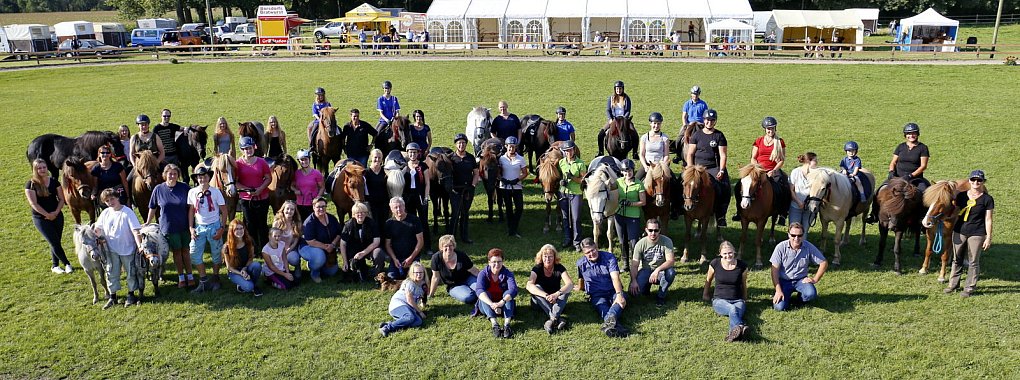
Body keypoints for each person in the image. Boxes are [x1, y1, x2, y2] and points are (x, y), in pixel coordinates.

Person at [944, 170, 994, 297]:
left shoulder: (987, 199)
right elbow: (951, 207)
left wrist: (988, 237)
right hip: (959, 231)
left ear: (983, 182)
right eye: (973, 180)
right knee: (957, 259)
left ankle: (969, 288)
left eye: (979, 180)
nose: (976, 182)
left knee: (973, 261)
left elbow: (988, 219)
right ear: (969, 181)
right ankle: (953, 285)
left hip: (977, 233)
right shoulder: (961, 196)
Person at [868, 123, 930, 223]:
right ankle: (874, 214)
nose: (911, 136)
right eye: (909, 134)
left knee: (924, 193)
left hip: (915, 178)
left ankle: (922, 217)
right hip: (897, 177)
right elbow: (893, 161)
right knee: (879, 191)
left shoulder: (923, 148)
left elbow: (923, 166)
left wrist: (910, 175)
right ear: (905, 135)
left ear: (917, 134)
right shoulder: (900, 146)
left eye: (913, 133)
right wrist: (891, 171)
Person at [94, 188, 144, 308]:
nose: (110, 202)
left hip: (127, 248)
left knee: (130, 272)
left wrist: (139, 245)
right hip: (111, 249)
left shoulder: (127, 212)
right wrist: (97, 235)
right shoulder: (105, 213)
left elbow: (135, 230)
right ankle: (113, 296)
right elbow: (98, 228)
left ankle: (131, 294)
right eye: (107, 201)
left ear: (117, 198)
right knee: (111, 272)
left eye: (112, 199)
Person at [147, 164, 194, 288]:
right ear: (165, 175)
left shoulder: (184, 188)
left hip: (184, 225)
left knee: (186, 251)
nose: (172, 176)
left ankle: (190, 276)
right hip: (169, 227)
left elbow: (192, 206)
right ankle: (181, 278)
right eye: (170, 173)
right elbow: (152, 207)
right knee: (177, 252)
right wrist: (147, 222)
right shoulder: (158, 189)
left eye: (175, 174)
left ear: (178, 175)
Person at [735, 116, 789, 224]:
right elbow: (753, 158)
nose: (770, 130)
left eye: (772, 128)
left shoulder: (780, 142)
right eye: (768, 128)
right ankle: (739, 211)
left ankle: (782, 213)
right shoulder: (759, 141)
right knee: (738, 186)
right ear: (765, 129)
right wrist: (757, 168)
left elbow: (782, 160)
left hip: (773, 169)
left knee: (784, 187)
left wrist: (774, 170)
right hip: (758, 169)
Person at [26, 158, 72, 274]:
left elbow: (61, 199)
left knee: (56, 241)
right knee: (53, 241)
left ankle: (55, 266)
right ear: (35, 170)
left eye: (44, 167)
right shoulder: (31, 184)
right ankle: (67, 264)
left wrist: (55, 213)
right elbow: (33, 203)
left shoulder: (54, 182)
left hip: (57, 215)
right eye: (39, 168)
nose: (42, 170)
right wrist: (47, 215)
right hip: (41, 218)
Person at [686, 108, 730, 227]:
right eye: (707, 120)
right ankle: (679, 209)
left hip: (713, 167)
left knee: (724, 187)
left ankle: (720, 215)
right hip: (697, 167)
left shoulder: (719, 135)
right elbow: (690, 154)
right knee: (682, 183)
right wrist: (690, 168)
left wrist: (721, 170)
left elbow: (723, 155)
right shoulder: (696, 135)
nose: (709, 122)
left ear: (715, 122)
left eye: (712, 120)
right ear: (704, 120)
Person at [575, 238, 628, 337]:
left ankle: (610, 325)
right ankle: (616, 327)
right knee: (602, 308)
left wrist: (619, 294)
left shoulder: (609, 257)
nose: (591, 253)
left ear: (596, 247)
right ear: (584, 253)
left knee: (619, 302)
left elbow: (615, 277)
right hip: (597, 295)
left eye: (593, 250)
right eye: (588, 252)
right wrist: (580, 287)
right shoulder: (581, 264)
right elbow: (581, 277)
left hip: (613, 290)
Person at [770, 223, 828, 311]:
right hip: (784, 281)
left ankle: (800, 299)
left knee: (811, 294)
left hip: (800, 280)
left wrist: (815, 279)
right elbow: (774, 270)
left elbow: (824, 263)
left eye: (799, 235)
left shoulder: (808, 246)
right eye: (793, 235)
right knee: (779, 308)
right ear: (788, 234)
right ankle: (784, 296)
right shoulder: (780, 247)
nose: (796, 238)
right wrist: (778, 290)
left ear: (803, 235)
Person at [187, 166, 227, 293]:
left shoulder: (216, 192)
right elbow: (191, 210)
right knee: (194, 253)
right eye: (200, 177)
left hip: (214, 225)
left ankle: (215, 277)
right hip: (199, 226)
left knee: (216, 253)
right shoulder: (192, 192)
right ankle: (203, 280)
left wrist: (222, 228)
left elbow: (224, 210)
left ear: (209, 177)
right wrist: (191, 228)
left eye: (205, 176)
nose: (202, 179)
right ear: (197, 179)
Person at [703, 240, 750, 342]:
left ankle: (733, 334)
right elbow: (708, 280)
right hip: (719, 300)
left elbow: (744, 283)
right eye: (725, 253)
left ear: (734, 252)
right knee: (733, 309)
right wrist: (705, 294)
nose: (728, 256)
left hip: (738, 300)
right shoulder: (715, 263)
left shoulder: (742, 266)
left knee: (734, 311)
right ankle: (741, 327)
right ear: (720, 254)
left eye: (730, 253)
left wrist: (744, 298)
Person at [527, 244, 573, 334]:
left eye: (550, 256)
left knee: (565, 291)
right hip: (539, 302)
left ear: (554, 257)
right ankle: (557, 318)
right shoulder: (537, 268)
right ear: (541, 257)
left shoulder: (559, 268)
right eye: (545, 256)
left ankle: (551, 320)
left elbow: (570, 284)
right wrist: (546, 295)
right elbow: (529, 285)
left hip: (555, 301)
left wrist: (556, 294)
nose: (547, 259)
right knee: (537, 287)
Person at [235, 136, 272, 250]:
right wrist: (247, 190)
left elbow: (268, 178)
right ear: (242, 150)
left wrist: (260, 189)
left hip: (262, 197)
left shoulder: (261, 162)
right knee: (250, 224)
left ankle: (264, 247)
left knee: (262, 224)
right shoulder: (237, 164)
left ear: (254, 148)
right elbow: (235, 182)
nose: (248, 150)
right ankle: (253, 247)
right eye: (245, 148)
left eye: (250, 148)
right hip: (246, 199)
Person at [629, 218, 676, 306]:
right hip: (645, 270)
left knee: (671, 272)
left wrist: (657, 270)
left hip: (660, 271)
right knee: (634, 294)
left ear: (659, 230)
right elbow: (634, 265)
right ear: (646, 230)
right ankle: (646, 288)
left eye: (656, 230)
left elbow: (671, 261)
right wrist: (633, 281)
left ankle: (660, 297)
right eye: (650, 230)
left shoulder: (667, 241)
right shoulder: (640, 244)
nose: (653, 233)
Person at [475, 248, 518, 339]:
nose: (497, 264)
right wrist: (492, 305)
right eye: (494, 262)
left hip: (503, 304)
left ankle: (507, 325)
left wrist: (501, 302)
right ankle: (494, 324)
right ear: (489, 262)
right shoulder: (482, 274)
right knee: (484, 295)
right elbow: (479, 290)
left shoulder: (508, 273)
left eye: (499, 261)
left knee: (508, 294)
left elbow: (513, 289)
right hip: (487, 305)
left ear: (503, 262)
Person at [297, 196, 342, 283]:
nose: (321, 209)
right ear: (313, 207)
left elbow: (339, 233)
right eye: (318, 207)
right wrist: (326, 247)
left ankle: (319, 265)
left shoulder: (332, 218)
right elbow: (310, 241)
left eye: (323, 206)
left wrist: (332, 244)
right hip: (308, 246)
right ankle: (315, 272)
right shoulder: (309, 222)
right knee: (319, 257)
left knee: (332, 272)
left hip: (328, 247)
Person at [379, 261, 428, 337]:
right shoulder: (410, 283)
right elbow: (409, 300)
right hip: (398, 305)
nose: (419, 275)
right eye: (416, 273)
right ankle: (387, 328)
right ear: (412, 273)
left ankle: (392, 323)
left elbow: (424, 295)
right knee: (410, 317)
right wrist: (420, 312)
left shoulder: (423, 283)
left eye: (421, 272)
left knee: (418, 322)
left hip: (409, 307)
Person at [339, 202, 387, 281]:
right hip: (354, 252)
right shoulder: (348, 225)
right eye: (357, 213)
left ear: (366, 213)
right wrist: (345, 262)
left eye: (362, 212)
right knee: (355, 269)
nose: (360, 215)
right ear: (353, 214)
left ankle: (376, 273)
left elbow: (376, 242)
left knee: (379, 253)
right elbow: (342, 244)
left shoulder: (372, 223)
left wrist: (363, 253)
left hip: (370, 249)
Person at [428, 235, 480, 306]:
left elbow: (474, 271)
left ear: (454, 246)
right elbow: (435, 277)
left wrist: (486, 279)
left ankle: (479, 294)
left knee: (482, 289)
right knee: (468, 298)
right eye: (445, 246)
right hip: (453, 285)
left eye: (450, 245)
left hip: (468, 278)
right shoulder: (436, 258)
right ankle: (476, 294)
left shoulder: (461, 255)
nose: (448, 248)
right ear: (441, 247)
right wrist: (431, 294)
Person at [448, 134, 480, 244]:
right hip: (455, 190)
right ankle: (451, 237)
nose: (461, 145)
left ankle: (464, 236)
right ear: (456, 144)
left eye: (463, 143)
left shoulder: (470, 158)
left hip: (468, 190)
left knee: (465, 213)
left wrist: (473, 185)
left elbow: (476, 173)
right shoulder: (451, 158)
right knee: (455, 213)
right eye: (459, 143)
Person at [384, 197, 425, 279]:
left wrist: (411, 258)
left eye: (400, 206)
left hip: (412, 258)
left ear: (404, 206)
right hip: (397, 260)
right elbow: (387, 245)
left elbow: (420, 242)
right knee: (391, 278)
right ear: (391, 209)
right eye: (395, 207)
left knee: (415, 279)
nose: (398, 209)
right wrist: (394, 259)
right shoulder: (389, 223)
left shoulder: (414, 220)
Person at [222, 219, 264, 296]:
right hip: (234, 271)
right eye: (236, 229)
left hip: (246, 267)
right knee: (248, 287)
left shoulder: (249, 241)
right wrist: (241, 273)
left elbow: (251, 258)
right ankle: (249, 285)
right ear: (232, 231)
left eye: (241, 228)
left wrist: (244, 269)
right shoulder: (227, 247)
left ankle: (253, 285)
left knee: (257, 265)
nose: (240, 231)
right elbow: (229, 267)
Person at [558, 141, 587, 249]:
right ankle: (567, 238)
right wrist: (562, 182)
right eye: (566, 151)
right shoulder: (561, 162)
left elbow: (583, 181)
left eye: (570, 150)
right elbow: (560, 176)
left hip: (576, 193)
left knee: (576, 218)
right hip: (563, 192)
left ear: (574, 150)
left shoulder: (580, 164)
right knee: (565, 218)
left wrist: (573, 178)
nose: (568, 153)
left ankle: (577, 241)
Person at [615, 159, 646, 262]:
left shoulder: (639, 184)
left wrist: (630, 203)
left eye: (630, 171)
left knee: (633, 241)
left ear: (633, 171)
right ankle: (625, 263)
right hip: (619, 214)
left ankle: (635, 262)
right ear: (622, 171)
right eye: (625, 171)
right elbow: (610, 189)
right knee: (622, 240)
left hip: (633, 216)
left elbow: (643, 202)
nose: (628, 173)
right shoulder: (618, 182)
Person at [498, 136, 528, 238]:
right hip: (505, 187)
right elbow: (497, 173)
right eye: (510, 147)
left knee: (519, 208)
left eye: (513, 147)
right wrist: (502, 179)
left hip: (517, 187)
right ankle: (511, 229)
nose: (511, 149)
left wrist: (517, 179)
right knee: (509, 209)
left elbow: (525, 173)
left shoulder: (521, 159)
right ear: (506, 147)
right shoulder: (501, 159)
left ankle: (513, 227)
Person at [403, 143, 431, 248]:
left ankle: (427, 245)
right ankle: (413, 244)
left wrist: (426, 197)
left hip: (420, 196)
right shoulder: (404, 166)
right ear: (408, 153)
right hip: (408, 197)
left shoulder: (423, 166)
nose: (412, 154)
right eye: (410, 152)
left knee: (423, 221)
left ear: (418, 153)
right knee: (411, 220)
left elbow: (427, 183)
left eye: (414, 152)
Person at [271, 200, 302, 280]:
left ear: (295, 211)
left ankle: (297, 266)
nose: (289, 211)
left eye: (292, 209)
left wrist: (289, 249)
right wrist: (280, 250)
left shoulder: (297, 223)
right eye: (287, 209)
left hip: (291, 248)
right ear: (283, 209)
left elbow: (296, 240)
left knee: (294, 259)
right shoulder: (277, 223)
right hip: (278, 248)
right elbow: (273, 239)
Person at [598, 81, 631, 156]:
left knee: (634, 134)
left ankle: (635, 152)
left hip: (624, 120)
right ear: (615, 89)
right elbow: (608, 110)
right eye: (617, 89)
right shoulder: (611, 98)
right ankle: (600, 152)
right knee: (600, 134)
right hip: (614, 119)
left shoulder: (626, 98)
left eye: (620, 89)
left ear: (622, 89)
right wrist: (610, 118)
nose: (618, 90)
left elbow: (628, 110)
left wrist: (624, 119)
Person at [788, 152, 818, 228]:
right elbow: (791, 190)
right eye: (815, 160)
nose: (817, 162)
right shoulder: (796, 172)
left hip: (809, 208)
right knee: (794, 229)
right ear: (808, 161)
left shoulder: (817, 174)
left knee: (804, 232)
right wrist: (799, 202)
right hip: (796, 206)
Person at [637, 112, 670, 181]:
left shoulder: (665, 138)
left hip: (660, 165)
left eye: (658, 123)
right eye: (654, 123)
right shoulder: (644, 137)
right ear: (650, 123)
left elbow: (666, 155)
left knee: (674, 182)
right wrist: (645, 166)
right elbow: (641, 154)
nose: (656, 125)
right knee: (636, 180)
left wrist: (663, 166)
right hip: (648, 165)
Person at [292, 149, 324, 220]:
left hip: (312, 204)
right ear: (299, 161)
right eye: (302, 160)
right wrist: (295, 190)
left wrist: (317, 198)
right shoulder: (296, 173)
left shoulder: (316, 173)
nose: (304, 162)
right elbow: (291, 185)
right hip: (300, 204)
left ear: (309, 159)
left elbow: (322, 187)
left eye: (306, 159)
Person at [364, 149, 390, 233]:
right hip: (372, 204)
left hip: (384, 203)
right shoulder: (366, 173)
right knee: (375, 224)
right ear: (371, 158)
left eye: (379, 157)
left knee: (384, 224)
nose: (377, 159)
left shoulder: (385, 172)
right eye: (375, 157)